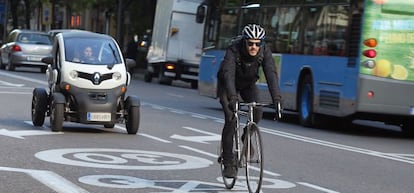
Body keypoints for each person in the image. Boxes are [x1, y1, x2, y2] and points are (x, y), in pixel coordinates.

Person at [217, 24, 282, 178]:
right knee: (231, 119)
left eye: (257, 44)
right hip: (227, 86)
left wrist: (277, 100)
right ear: (244, 42)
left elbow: (271, 74)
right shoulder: (233, 50)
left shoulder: (264, 52)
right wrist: (233, 98)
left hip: (247, 84)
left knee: (258, 111)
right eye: (250, 43)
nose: (254, 47)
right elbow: (228, 74)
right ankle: (228, 162)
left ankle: (246, 137)